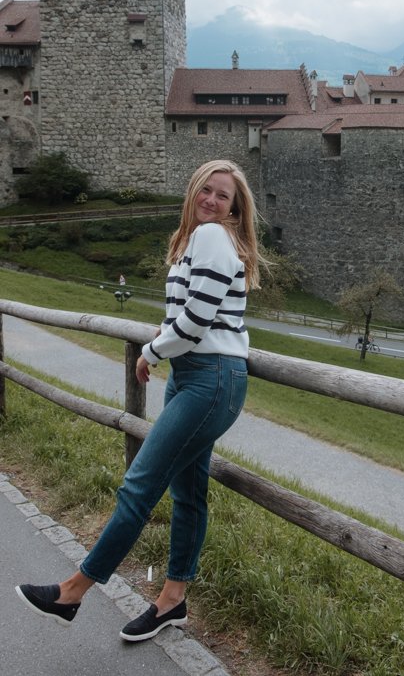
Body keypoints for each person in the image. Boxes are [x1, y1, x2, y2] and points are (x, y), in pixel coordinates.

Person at [15, 160, 262, 642]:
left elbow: (196, 321)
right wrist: (165, 338)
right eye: (205, 191)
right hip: (199, 377)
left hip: (209, 381)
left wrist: (150, 351)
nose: (211, 201)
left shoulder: (213, 237)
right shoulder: (199, 239)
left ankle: (72, 592)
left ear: (235, 208)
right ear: (193, 191)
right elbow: (186, 317)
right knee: (187, 493)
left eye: (223, 196)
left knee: (139, 486)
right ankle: (172, 601)